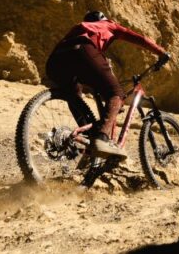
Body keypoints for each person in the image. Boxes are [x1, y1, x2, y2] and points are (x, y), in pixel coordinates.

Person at [45, 10, 170, 159]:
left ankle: (87, 137)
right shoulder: (109, 25)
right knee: (116, 93)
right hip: (82, 50)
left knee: (75, 96)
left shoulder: (81, 27)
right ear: (103, 19)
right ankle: (102, 138)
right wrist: (161, 52)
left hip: (55, 61)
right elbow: (139, 39)